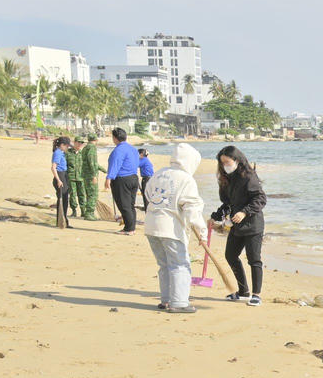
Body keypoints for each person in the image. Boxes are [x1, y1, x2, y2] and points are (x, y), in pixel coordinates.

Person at [144, 143, 208, 314]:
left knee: (164, 264)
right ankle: (179, 302)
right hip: (170, 229)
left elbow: (148, 194)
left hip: (151, 226)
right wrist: (202, 233)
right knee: (180, 265)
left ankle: (166, 299)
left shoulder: (160, 173)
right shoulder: (186, 180)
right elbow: (192, 209)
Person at [210, 145, 267, 306]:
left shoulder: (249, 177)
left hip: (253, 224)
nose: (225, 166)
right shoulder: (226, 179)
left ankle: (256, 295)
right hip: (236, 226)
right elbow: (227, 204)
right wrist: (215, 217)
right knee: (231, 256)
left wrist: (244, 212)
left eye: (227, 162)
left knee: (254, 259)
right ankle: (243, 292)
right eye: (222, 163)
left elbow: (260, 199)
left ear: (236, 160)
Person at [104, 128, 140, 234]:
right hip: (133, 178)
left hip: (122, 179)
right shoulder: (133, 149)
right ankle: (131, 227)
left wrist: (108, 178)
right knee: (130, 205)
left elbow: (115, 164)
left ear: (115, 138)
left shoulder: (118, 150)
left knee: (124, 205)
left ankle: (129, 228)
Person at [79, 135, 104, 220]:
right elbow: (92, 162)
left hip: (85, 174)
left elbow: (93, 163)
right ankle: (89, 213)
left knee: (89, 194)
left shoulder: (85, 148)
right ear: (96, 140)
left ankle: (89, 213)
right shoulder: (92, 148)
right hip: (90, 175)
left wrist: (104, 170)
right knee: (93, 194)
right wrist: (94, 175)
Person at [50, 136, 73, 229]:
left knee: (64, 199)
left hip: (63, 175)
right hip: (60, 176)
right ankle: (61, 221)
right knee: (62, 200)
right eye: (67, 146)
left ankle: (64, 221)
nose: (67, 148)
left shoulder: (61, 153)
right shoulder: (58, 153)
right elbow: (53, 167)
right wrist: (58, 180)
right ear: (62, 145)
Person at [64, 140, 84, 218]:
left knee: (82, 195)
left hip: (81, 177)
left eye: (81, 143)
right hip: (71, 177)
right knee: (72, 194)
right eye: (78, 142)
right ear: (74, 143)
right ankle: (74, 211)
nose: (80, 144)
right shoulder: (67, 153)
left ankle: (83, 211)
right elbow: (63, 164)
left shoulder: (83, 154)